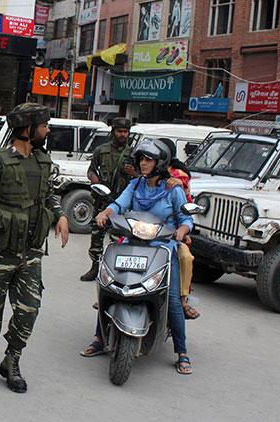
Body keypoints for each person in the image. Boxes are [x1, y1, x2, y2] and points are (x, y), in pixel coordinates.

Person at [0, 102, 70, 393]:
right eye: (44, 125)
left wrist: (60, 216)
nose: (48, 130)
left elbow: (50, 195)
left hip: (31, 252)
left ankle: (11, 358)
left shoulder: (44, 162)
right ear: (28, 128)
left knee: (29, 309)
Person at [81, 138, 194, 375]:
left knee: (172, 300)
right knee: (109, 287)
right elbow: (119, 204)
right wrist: (105, 212)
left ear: (160, 163)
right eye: (142, 159)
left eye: (149, 159)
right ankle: (99, 338)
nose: (143, 163)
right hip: (131, 243)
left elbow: (185, 218)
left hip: (162, 247)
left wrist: (181, 232)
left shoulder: (173, 189)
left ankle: (182, 351)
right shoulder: (135, 184)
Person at [80, 117, 137, 281]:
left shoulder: (133, 154)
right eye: (119, 131)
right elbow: (90, 171)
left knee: (117, 241)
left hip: (121, 205)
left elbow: (142, 178)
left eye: (125, 132)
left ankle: (113, 273)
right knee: (96, 238)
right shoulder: (101, 150)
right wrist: (94, 179)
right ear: (113, 132)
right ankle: (95, 268)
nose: (122, 135)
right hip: (102, 201)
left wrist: (134, 173)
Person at [158, 138, 199, 320]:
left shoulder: (177, 176)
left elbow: (185, 208)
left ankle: (182, 300)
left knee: (185, 257)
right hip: (146, 228)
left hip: (171, 232)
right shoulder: (146, 173)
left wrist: (183, 231)